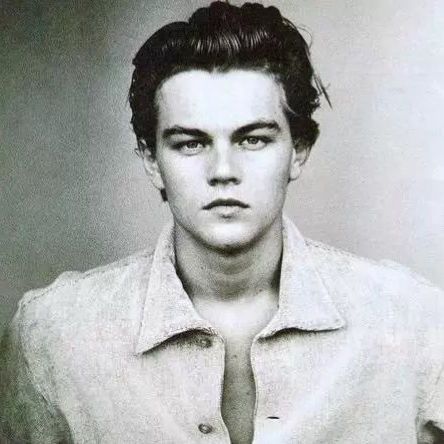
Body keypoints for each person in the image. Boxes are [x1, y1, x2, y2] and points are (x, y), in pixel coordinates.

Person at [1, 2, 443, 443]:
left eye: (253, 139)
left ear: (299, 151)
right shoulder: (55, 335)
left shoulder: (413, 322)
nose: (223, 170)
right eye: (191, 143)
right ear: (152, 161)